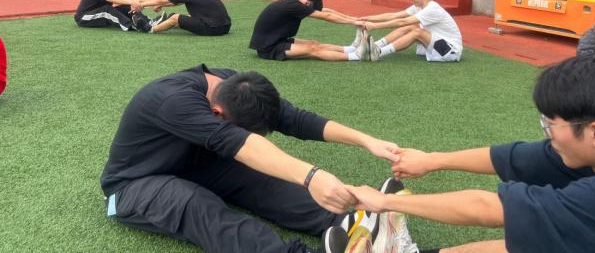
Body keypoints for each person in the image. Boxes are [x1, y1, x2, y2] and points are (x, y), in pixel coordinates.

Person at [341, 56, 595, 253]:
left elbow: (490, 210)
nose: (547, 133)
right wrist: (431, 160)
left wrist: (384, 202)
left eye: (550, 124)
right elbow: (513, 157)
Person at [100, 64, 400, 253]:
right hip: (133, 185)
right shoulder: (173, 100)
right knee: (195, 202)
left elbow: (295, 119)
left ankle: (352, 223)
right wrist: (311, 176)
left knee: (263, 176)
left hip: (197, 164)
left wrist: (367, 140)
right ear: (217, 114)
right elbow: (239, 143)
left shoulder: (234, 87)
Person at [360, 0, 462, 62]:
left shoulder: (432, 9)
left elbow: (403, 21)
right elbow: (395, 15)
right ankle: (376, 45)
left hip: (451, 51)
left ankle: (378, 52)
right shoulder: (418, 7)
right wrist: (367, 18)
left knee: (417, 31)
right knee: (412, 27)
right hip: (438, 44)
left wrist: (375, 26)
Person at [249, 0, 368, 61]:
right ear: (307, 3)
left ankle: (350, 49)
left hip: (276, 39)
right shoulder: (295, 6)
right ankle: (356, 56)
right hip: (268, 48)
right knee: (313, 50)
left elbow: (326, 11)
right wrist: (353, 23)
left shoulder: (295, 1)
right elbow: (327, 16)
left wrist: (353, 19)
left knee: (313, 43)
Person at [137, 0, 231, 36]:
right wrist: (161, 6)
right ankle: (164, 22)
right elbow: (176, 3)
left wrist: (142, 4)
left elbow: (161, 0)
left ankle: (150, 29)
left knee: (175, 18)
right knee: (179, 16)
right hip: (225, 27)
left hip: (213, 28)